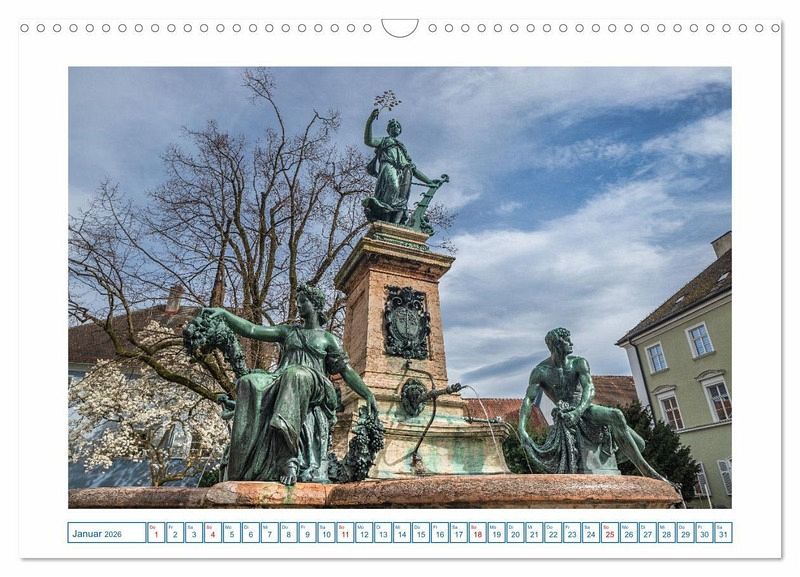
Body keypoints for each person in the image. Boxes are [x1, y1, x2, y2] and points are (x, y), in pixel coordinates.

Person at [203, 283, 377, 485]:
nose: (298, 306)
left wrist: (367, 394)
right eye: (298, 302)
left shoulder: (328, 339)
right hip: (284, 377)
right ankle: (242, 463)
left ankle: (289, 458)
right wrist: (225, 315)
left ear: (315, 305)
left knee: (295, 375)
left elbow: (346, 371)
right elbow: (252, 329)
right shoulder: (288, 332)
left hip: (316, 384)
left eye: (303, 302)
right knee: (249, 381)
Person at [518, 327, 669, 481]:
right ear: (557, 344)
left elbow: (589, 389)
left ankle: (605, 462)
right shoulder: (541, 371)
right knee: (616, 415)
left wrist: (578, 411)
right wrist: (522, 428)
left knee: (640, 444)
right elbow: (529, 400)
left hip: (585, 408)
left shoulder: (579, 363)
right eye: (567, 341)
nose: (571, 343)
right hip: (565, 414)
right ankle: (647, 471)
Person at [363, 108, 439, 224]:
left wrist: (430, 182)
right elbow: (368, 141)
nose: (396, 127)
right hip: (388, 166)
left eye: (398, 126)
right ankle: (385, 215)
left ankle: (393, 222)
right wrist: (370, 120)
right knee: (393, 188)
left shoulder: (402, 149)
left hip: (403, 173)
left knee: (402, 198)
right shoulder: (384, 140)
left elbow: (414, 170)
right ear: (388, 130)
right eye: (393, 126)